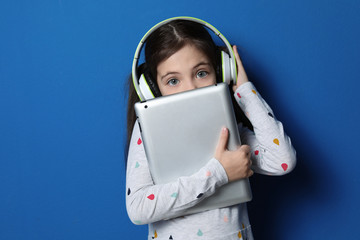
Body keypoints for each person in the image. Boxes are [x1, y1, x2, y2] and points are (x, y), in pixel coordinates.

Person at [125, 17, 296, 240]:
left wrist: (244, 90)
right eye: (173, 81)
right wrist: (220, 173)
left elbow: (282, 161)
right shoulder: (147, 131)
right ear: (152, 88)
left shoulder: (228, 127)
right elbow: (138, 209)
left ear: (221, 72)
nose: (190, 88)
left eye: (201, 73)